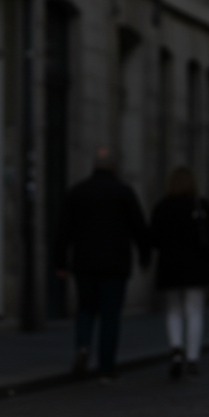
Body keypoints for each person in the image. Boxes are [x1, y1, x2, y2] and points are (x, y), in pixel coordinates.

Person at [53, 147, 150, 381]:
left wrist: (60, 262)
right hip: (115, 265)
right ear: (114, 167)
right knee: (110, 316)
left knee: (85, 309)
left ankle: (83, 346)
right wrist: (145, 257)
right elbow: (139, 228)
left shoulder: (78, 192)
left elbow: (63, 230)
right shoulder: (124, 192)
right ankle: (106, 367)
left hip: (85, 262)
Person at [149, 167, 209, 379]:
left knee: (173, 310)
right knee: (194, 311)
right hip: (196, 266)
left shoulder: (163, 206)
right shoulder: (200, 205)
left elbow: (152, 237)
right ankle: (192, 358)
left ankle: (175, 350)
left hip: (170, 267)